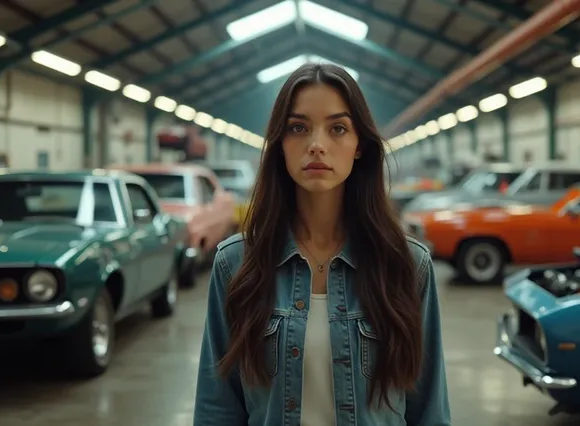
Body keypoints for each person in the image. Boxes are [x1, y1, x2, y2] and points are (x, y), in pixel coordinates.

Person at [193, 63, 451, 426]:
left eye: (338, 128)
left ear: (359, 145)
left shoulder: (406, 264)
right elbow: (217, 408)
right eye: (298, 128)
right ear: (279, 144)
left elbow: (430, 409)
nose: (316, 145)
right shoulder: (235, 264)